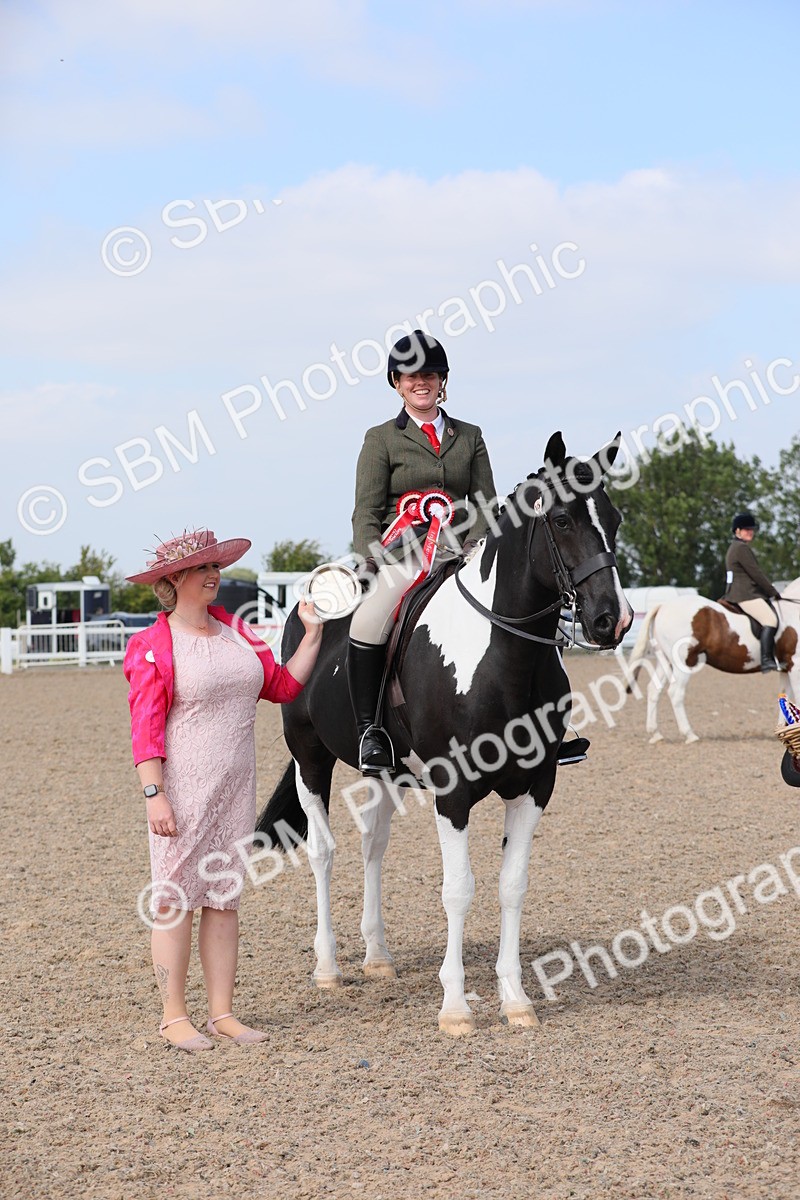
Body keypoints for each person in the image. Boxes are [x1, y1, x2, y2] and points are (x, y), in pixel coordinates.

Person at [123, 529, 322, 1052]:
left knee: (223, 900)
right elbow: (144, 727)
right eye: (203, 568)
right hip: (181, 793)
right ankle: (173, 1016)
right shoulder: (151, 646)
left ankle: (222, 1013)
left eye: (217, 566)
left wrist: (313, 636)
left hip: (235, 791)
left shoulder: (239, 632)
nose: (215, 575)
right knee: (173, 900)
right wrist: (154, 793)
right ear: (173, 580)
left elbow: (279, 686)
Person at [348, 330, 499, 774]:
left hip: (461, 549)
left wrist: (478, 546)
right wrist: (372, 559)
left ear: (442, 381)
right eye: (412, 375)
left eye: (430, 375)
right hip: (402, 552)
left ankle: (547, 721)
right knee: (369, 618)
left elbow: (486, 502)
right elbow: (366, 509)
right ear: (397, 382)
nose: (422, 382)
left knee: (522, 599)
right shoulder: (381, 439)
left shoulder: (469, 435)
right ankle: (369, 730)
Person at [725, 511, 781, 672]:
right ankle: (766, 660)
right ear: (737, 531)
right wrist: (773, 592)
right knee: (770, 620)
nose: (751, 532)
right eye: (746, 529)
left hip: (737, 592)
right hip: (746, 594)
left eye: (752, 529)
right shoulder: (741, 548)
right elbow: (756, 574)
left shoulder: (734, 547)